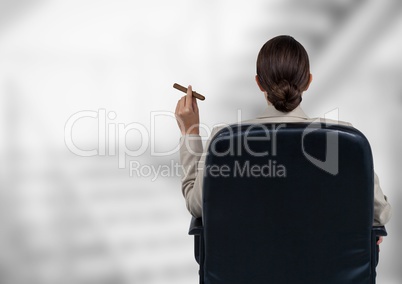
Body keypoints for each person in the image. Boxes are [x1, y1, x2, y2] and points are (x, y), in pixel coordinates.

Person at [175, 35, 391, 247]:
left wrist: (190, 130)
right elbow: (380, 213)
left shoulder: (225, 141)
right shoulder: (345, 140)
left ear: (259, 83)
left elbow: (197, 207)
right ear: (308, 81)